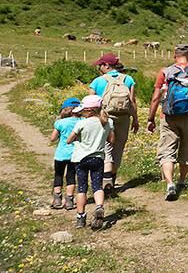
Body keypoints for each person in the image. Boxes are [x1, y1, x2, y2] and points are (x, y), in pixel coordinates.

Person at [146, 44, 188, 201]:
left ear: (175, 56)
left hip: (168, 116)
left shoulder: (165, 72)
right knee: (187, 148)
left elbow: (156, 97)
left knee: (167, 150)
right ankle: (181, 181)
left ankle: (170, 183)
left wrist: (150, 118)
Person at [88, 53, 138, 195]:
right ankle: (112, 179)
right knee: (119, 147)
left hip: (104, 117)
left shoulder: (97, 81)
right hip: (123, 117)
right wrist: (135, 119)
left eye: (100, 65)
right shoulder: (128, 79)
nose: (99, 68)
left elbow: (91, 103)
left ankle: (106, 180)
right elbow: (132, 101)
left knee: (106, 147)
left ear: (106, 65)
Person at [66, 95, 114, 230]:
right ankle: (99, 207)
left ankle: (80, 217)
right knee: (97, 186)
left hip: (81, 159)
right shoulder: (108, 122)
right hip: (98, 158)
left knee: (82, 188)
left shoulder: (82, 123)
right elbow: (112, 140)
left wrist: (77, 139)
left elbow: (69, 140)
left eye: (83, 111)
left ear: (89, 111)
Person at [48, 97, 81, 210]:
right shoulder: (82, 121)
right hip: (75, 154)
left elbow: (53, 138)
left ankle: (57, 199)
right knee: (71, 176)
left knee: (58, 175)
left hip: (61, 154)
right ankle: (69, 200)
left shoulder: (60, 123)